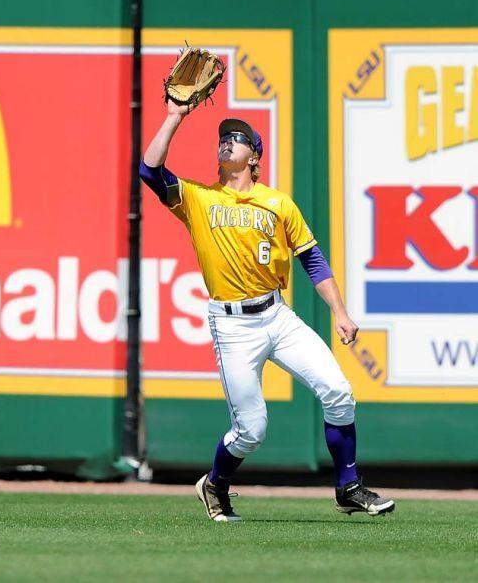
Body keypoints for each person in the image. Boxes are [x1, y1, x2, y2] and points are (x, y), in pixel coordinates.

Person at [140, 99, 395, 522]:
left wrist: (340, 313)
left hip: (278, 316)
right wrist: (174, 117)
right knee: (251, 431)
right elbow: (150, 171)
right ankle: (215, 485)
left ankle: (348, 487)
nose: (226, 143)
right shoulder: (198, 198)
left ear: (254, 155)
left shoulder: (278, 203)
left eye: (236, 139)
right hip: (233, 325)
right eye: (222, 138)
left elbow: (312, 259)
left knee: (339, 392)